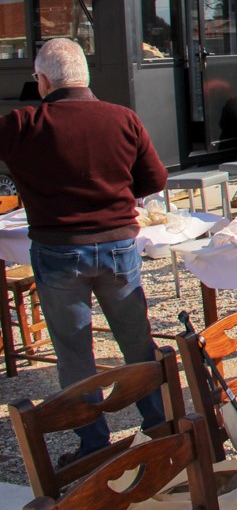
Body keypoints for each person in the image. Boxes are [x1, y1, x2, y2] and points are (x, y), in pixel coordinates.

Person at [0, 38, 167, 463]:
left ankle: (93, 444)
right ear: (84, 77)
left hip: (59, 248)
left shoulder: (22, 124)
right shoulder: (122, 118)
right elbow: (155, 179)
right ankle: (159, 426)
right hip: (117, 243)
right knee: (137, 342)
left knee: (75, 353)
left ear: (43, 81)